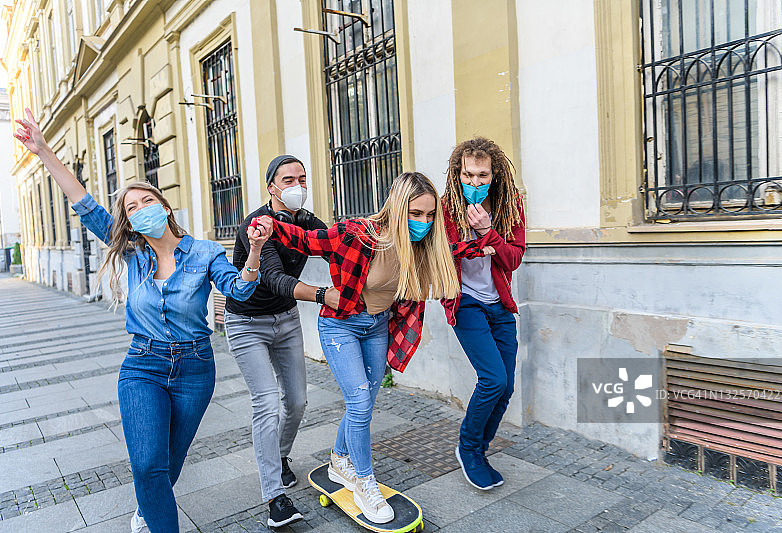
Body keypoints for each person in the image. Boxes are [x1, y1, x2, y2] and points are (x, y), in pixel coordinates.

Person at [13, 108, 270, 533]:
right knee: (148, 463)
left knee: (169, 462)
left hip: (195, 368)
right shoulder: (132, 254)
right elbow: (83, 202)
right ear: (129, 221)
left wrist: (255, 253)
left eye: (146, 200)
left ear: (165, 206)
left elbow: (239, 291)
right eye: (131, 207)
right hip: (143, 365)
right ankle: (157, 517)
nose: (140, 209)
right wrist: (43, 151)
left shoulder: (205, 252)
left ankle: (148, 508)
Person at [260, 172, 504, 523]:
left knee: (365, 402)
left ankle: (339, 459)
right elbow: (308, 239)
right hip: (340, 326)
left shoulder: (421, 247)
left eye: (429, 215)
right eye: (415, 213)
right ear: (397, 208)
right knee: (359, 402)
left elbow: (451, 251)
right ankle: (365, 483)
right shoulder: (358, 234)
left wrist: (486, 244)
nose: (423, 222)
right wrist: (269, 226)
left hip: (377, 327)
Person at [224, 155, 331, 528]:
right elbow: (273, 278)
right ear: (271, 187)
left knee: (297, 401)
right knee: (267, 403)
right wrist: (323, 295)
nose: (297, 185)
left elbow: (335, 244)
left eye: (302, 178)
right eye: (288, 179)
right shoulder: (257, 225)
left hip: (285, 320)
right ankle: (275, 498)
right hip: (246, 322)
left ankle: (280, 456)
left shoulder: (306, 221)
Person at [441, 137, 525, 490]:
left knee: (505, 387)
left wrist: (488, 233)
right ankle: (468, 448)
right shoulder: (445, 208)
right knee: (492, 379)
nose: (474, 182)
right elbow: (444, 253)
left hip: (500, 304)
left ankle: (480, 449)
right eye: (468, 175)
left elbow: (513, 258)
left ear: (495, 175)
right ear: (457, 174)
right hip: (466, 303)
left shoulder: (509, 205)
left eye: (482, 175)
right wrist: (479, 245)